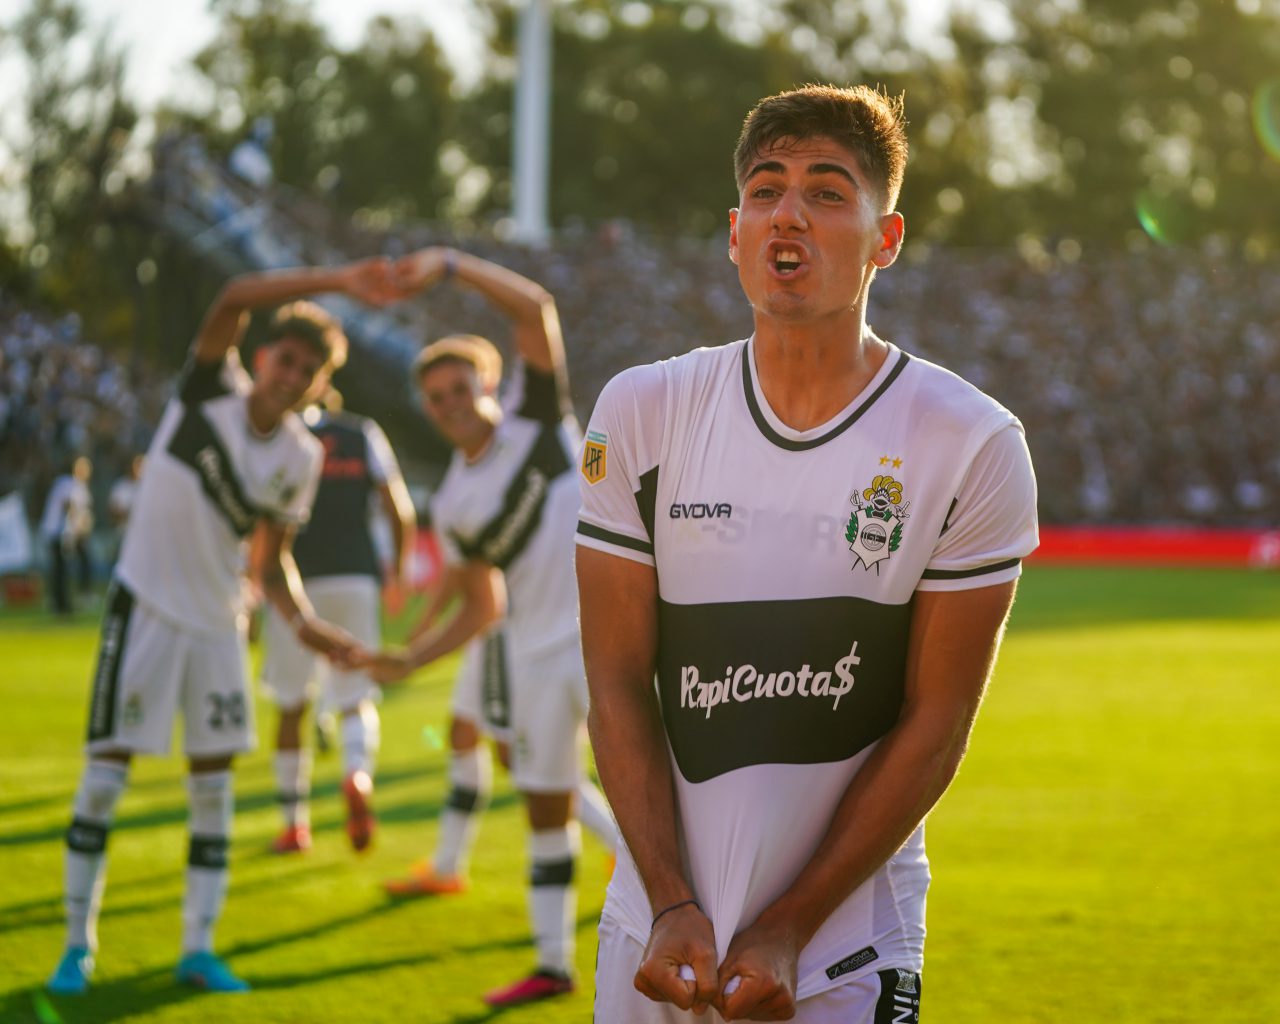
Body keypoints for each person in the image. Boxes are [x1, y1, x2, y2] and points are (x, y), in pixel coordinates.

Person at [576, 84, 1040, 1023]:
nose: (788, 213)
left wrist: (790, 924)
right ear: (734, 232)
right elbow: (616, 682)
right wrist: (668, 900)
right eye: (765, 190)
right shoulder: (640, 411)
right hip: (654, 931)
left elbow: (937, 721)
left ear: (886, 239)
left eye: (827, 192)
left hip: (841, 948)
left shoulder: (971, 441)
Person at [46, 259, 398, 997]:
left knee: (213, 791)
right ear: (263, 356)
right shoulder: (209, 392)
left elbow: (270, 564)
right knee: (104, 781)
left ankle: (197, 951)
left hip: (218, 626)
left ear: (318, 386)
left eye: (308, 371)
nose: (291, 375)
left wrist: (307, 625)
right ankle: (76, 947)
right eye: (286, 359)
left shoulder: (302, 456)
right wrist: (339, 283)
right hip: (144, 606)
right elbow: (235, 296)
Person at [368, 246, 617, 1008]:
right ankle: (553, 965)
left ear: (487, 383)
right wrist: (411, 657)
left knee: (668, 802)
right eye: (435, 397)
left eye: (459, 388)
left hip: (611, 640)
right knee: (545, 806)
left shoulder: (537, 422)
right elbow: (481, 607)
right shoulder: (451, 503)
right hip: (534, 658)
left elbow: (534, 309)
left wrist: (448, 264)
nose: (449, 403)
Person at [256, 389, 416, 855]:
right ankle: (357, 775)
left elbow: (260, 521)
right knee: (355, 696)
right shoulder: (361, 432)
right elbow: (399, 507)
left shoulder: (281, 438)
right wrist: (397, 571)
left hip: (293, 581)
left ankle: (294, 824)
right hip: (355, 576)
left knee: (291, 704)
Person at [39, 455, 94, 614]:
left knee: (60, 568)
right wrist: (78, 525)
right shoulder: (68, 483)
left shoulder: (72, 484)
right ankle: (61, 604)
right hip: (57, 531)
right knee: (60, 569)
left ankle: (60, 602)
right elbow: (68, 506)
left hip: (61, 532)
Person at [106, 454, 144, 568]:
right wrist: (128, 513)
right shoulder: (120, 486)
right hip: (123, 535)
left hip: (142, 536)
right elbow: (112, 511)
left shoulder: (146, 486)